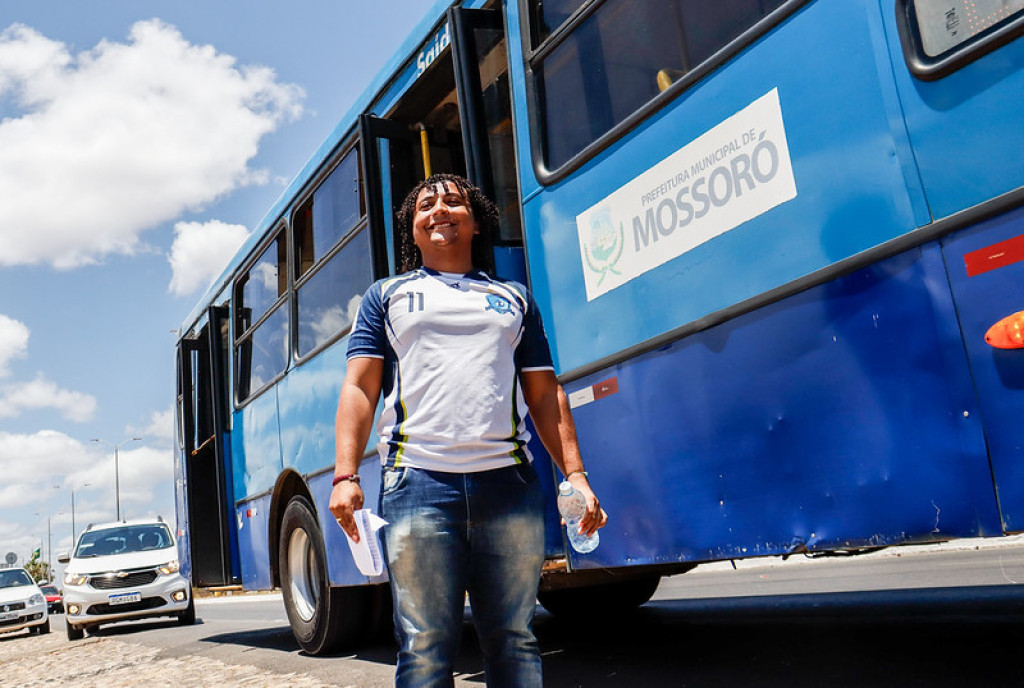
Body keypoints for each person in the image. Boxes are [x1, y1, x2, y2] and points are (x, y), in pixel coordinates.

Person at [328, 173, 607, 687]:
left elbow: (545, 393)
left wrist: (576, 475)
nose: (439, 209)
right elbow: (360, 388)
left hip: (509, 487)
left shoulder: (513, 298)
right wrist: (345, 475)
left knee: (515, 640)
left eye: (454, 201)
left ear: (475, 223)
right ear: (412, 229)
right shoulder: (386, 296)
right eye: (425, 205)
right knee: (425, 647)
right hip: (417, 487)